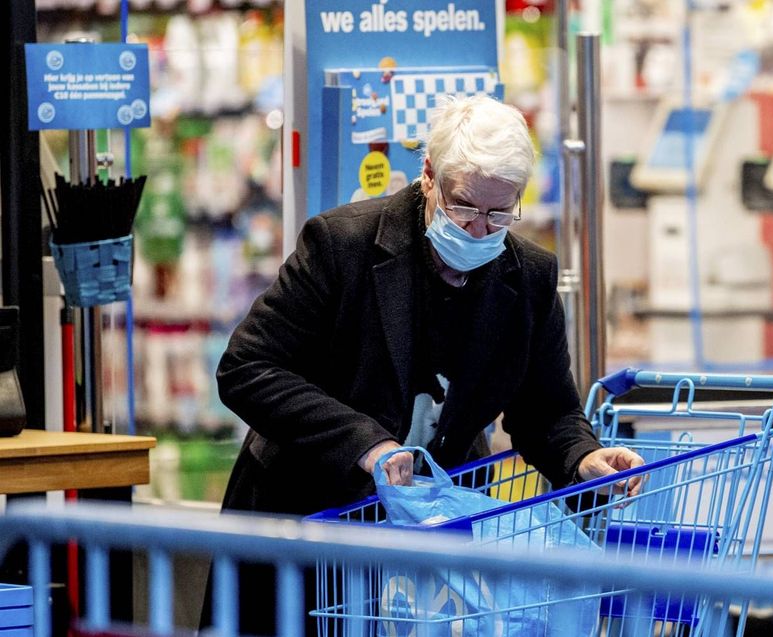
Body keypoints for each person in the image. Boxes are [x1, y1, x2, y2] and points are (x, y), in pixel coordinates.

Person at [209, 94, 643, 634]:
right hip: (309, 524)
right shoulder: (341, 244)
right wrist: (367, 444)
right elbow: (248, 367)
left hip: (430, 543)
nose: (480, 230)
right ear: (429, 176)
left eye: (500, 212)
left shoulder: (527, 276)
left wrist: (584, 458)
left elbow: (546, 407)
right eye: (463, 207)